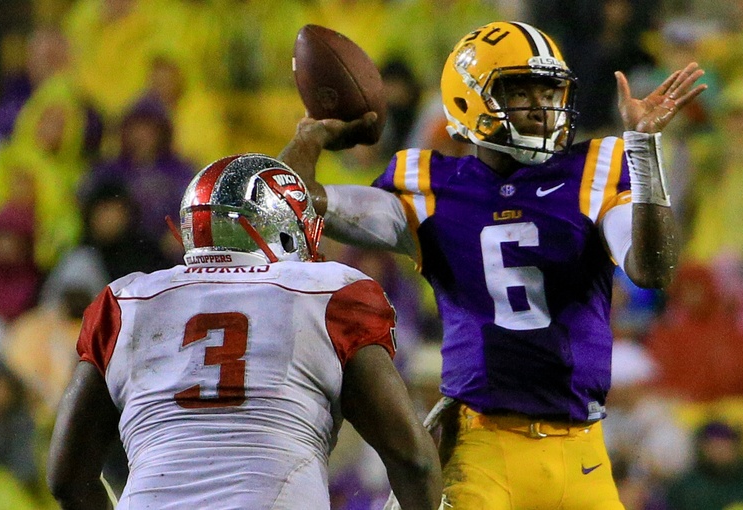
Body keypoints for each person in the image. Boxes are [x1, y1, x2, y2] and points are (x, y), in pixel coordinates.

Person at [280, 20, 707, 509]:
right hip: (482, 449)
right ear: (469, 98)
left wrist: (644, 150)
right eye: (521, 91)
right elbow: (290, 202)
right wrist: (311, 136)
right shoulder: (428, 185)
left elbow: (652, 269)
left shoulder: (595, 169)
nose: (543, 107)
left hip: (583, 450)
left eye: (549, 92)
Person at [46, 154, 443, 510]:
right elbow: (413, 458)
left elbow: (67, 479)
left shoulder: (126, 301)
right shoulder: (328, 294)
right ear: (287, 228)